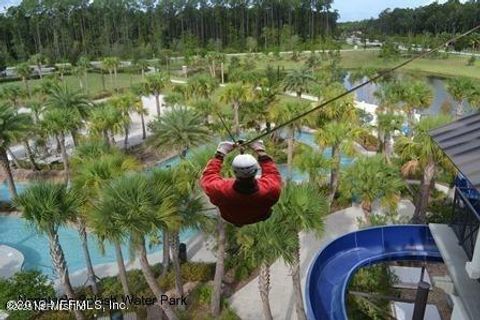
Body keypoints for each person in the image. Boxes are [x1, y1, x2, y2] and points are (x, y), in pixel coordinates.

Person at [200, 140, 282, 227]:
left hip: (231, 217)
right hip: (258, 215)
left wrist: (220, 153)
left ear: (234, 172)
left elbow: (208, 176)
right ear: (256, 170)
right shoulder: (270, 189)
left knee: (234, 210)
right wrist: (260, 151)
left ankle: (238, 221)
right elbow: (272, 173)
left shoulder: (220, 190)